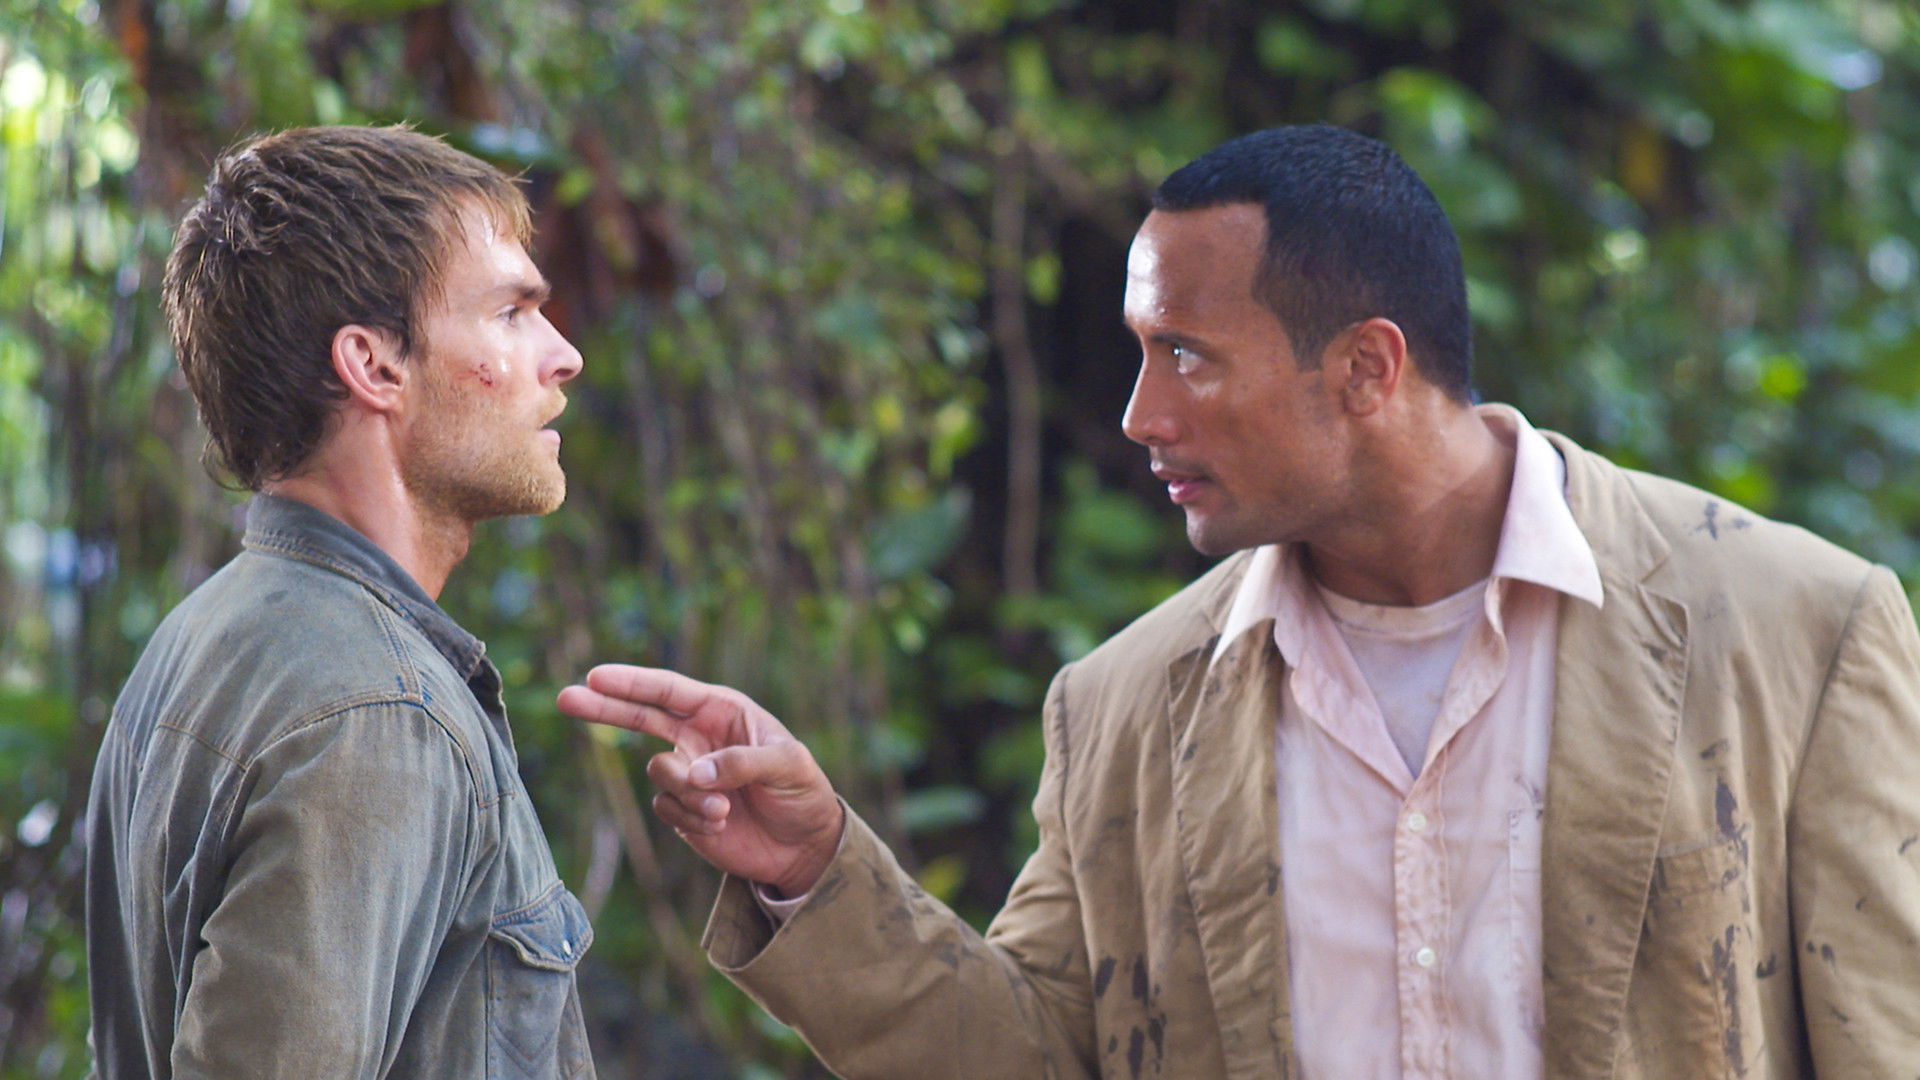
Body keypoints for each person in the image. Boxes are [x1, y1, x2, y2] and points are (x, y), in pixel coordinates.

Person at [558, 125, 1920, 1078]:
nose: (1140, 413)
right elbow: (1038, 1057)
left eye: (1187, 355)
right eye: (1143, 354)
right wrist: (815, 872)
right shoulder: (1123, 706)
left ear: (1368, 368)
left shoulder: (1801, 631)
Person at [86, 125, 595, 1079]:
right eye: (512, 313)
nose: (561, 355)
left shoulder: (202, 635)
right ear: (374, 365)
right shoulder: (376, 714)